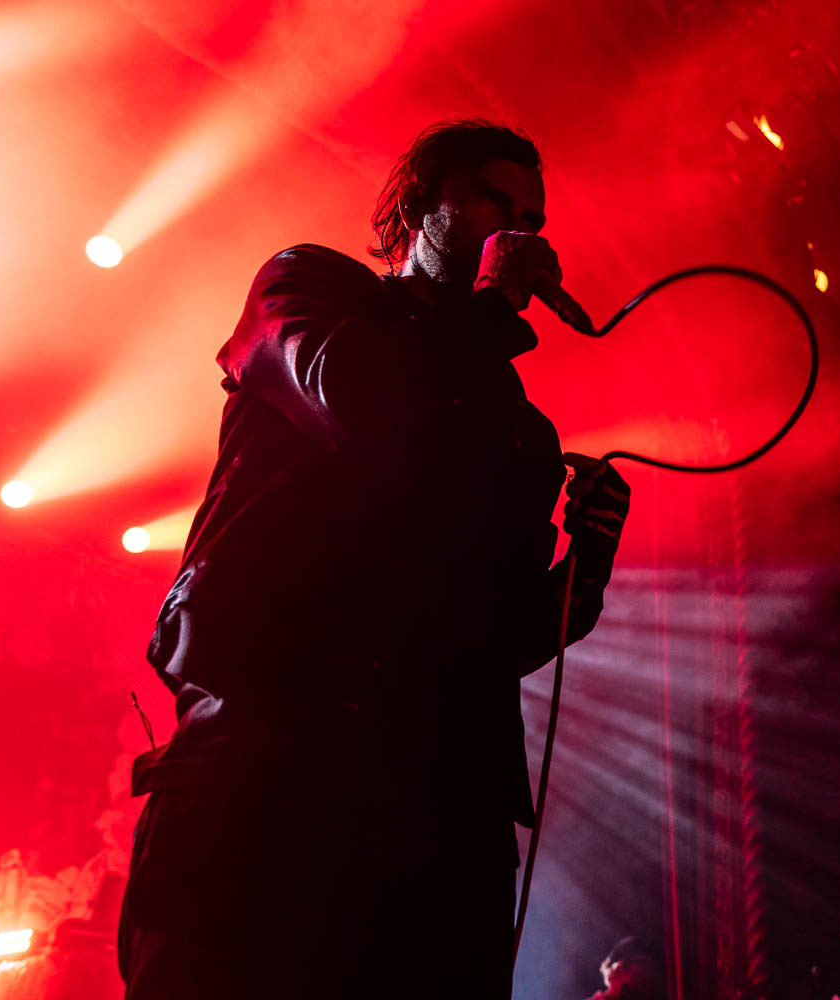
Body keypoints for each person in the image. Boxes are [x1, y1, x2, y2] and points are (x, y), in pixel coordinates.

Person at [117, 119, 631, 1000]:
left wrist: (590, 558)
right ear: (417, 207)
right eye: (490, 202)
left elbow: (505, 630)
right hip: (277, 754)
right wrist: (486, 311)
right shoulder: (310, 289)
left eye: (532, 220)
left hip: (440, 803)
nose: (517, 232)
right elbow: (362, 403)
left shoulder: (518, 429)